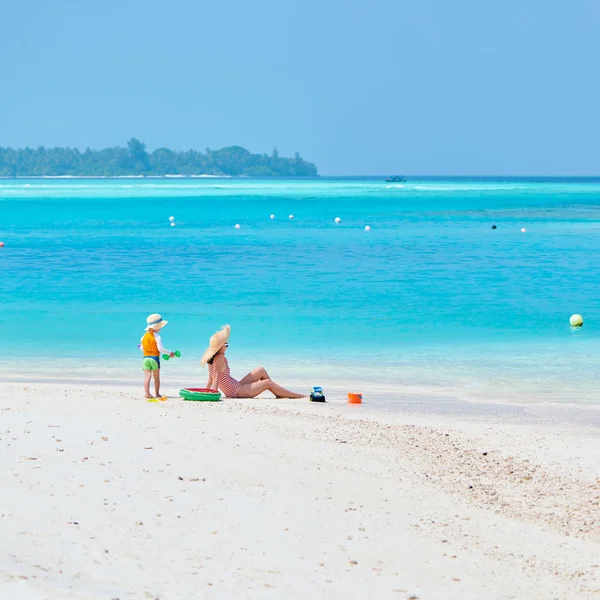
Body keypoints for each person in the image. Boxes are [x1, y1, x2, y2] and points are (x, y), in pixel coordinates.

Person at [200, 325, 305, 399]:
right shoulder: (219, 358)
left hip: (235, 386)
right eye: (226, 345)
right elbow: (215, 376)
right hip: (236, 392)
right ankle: (296, 395)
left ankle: (278, 392)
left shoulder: (213, 357)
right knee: (267, 383)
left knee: (261, 370)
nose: (227, 347)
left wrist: (206, 392)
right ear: (220, 347)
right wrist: (213, 395)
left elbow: (210, 377)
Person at [140, 313, 174, 400]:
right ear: (156, 327)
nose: (161, 328)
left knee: (147, 377)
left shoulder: (143, 337)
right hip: (154, 358)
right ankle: (157, 394)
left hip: (145, 358)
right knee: (156, 377)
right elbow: (160, 348)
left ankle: (147, 393)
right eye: (160, 327)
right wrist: (169, 353)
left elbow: (142, 349)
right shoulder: (157, 336)